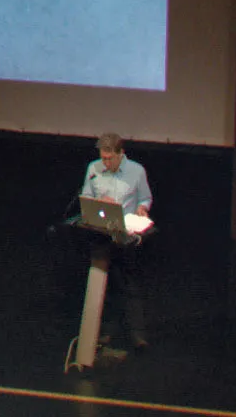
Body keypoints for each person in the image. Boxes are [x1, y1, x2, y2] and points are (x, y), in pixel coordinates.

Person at [80, 131, 153, 349]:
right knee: (103, 282)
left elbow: (145, 198)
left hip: (125, 235)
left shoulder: (136, 171)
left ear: (121, 154)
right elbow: (86, 196)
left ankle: (138, 335)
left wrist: (142, 208)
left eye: (110, 159)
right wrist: (99, 200)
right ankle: (104, 332)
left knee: (129, 284)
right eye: (103, 158)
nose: (106, 163)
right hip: (101, 233)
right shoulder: (93, 169)